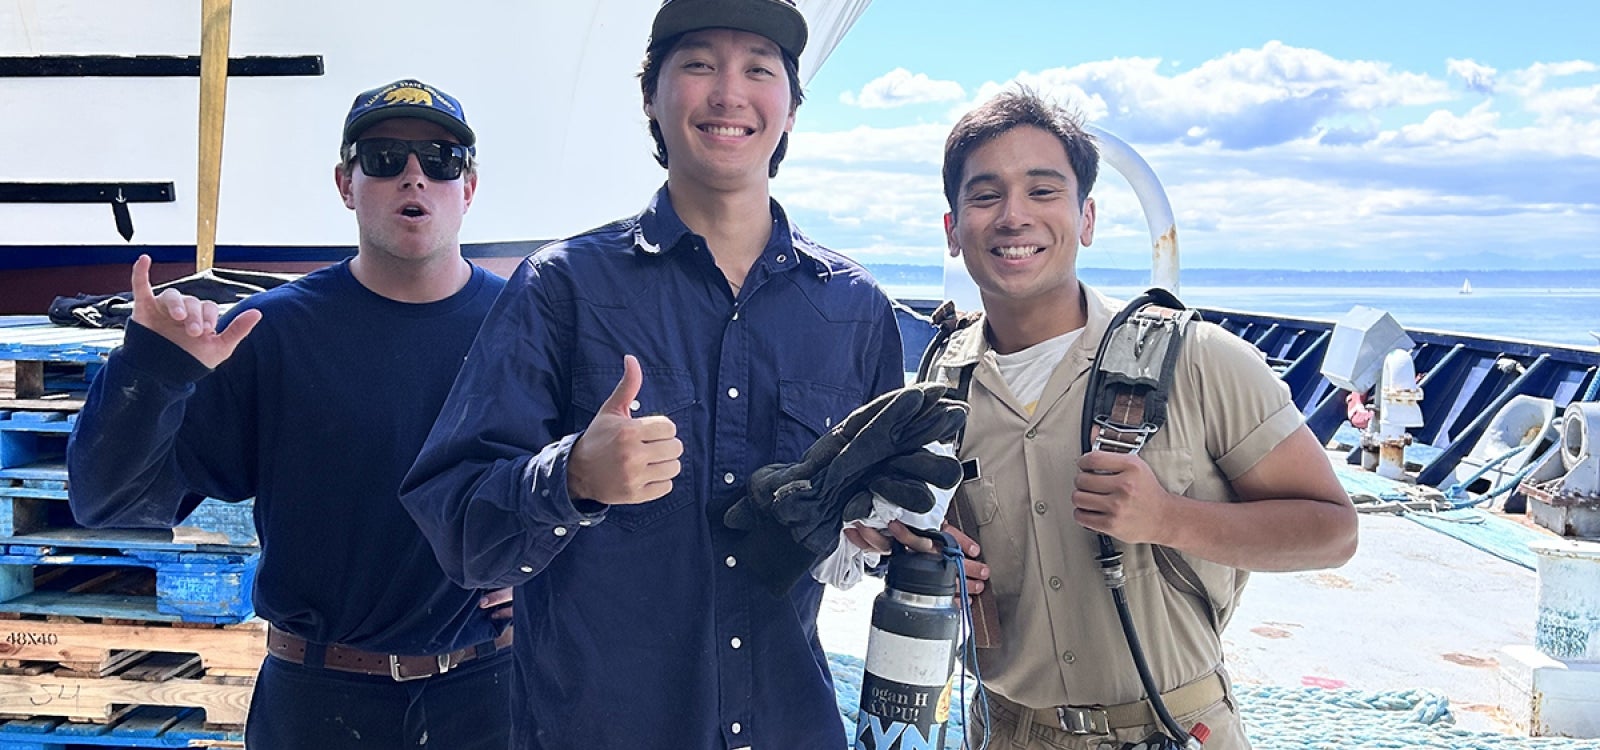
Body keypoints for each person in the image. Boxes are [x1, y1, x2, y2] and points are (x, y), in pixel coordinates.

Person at [398, 0, 904, 747]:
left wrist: (884, 532)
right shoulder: (560, 288)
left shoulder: (857, 310)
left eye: (758, 69)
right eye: (699, 64)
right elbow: (460, 531)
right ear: (650, 99)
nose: (729, 93)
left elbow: (873, 535)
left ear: (791, 109)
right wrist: (570, 478)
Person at [876, 89, 1359, 750]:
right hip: (1004, 731)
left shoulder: (1197, 360)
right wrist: (926, 550)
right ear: (953, 231)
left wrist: (1168, 519)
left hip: (1171, 728)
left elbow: (1333, 533)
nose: (1014, 216)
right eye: (985, 196)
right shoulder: (940, 388)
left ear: (1088, 217)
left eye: (1043, 191)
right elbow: (924, 536)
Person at [67, 79, 512, 749]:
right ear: (345, 182)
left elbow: (600, 486)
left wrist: (558, 573)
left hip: (490, 699)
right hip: (317, 704)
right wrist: (153, 368)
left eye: (440, 160)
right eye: (385, 158)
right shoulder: (267, 335)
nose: (414, 176)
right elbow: (111, 501)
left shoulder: (527, 331)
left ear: (468, 187)